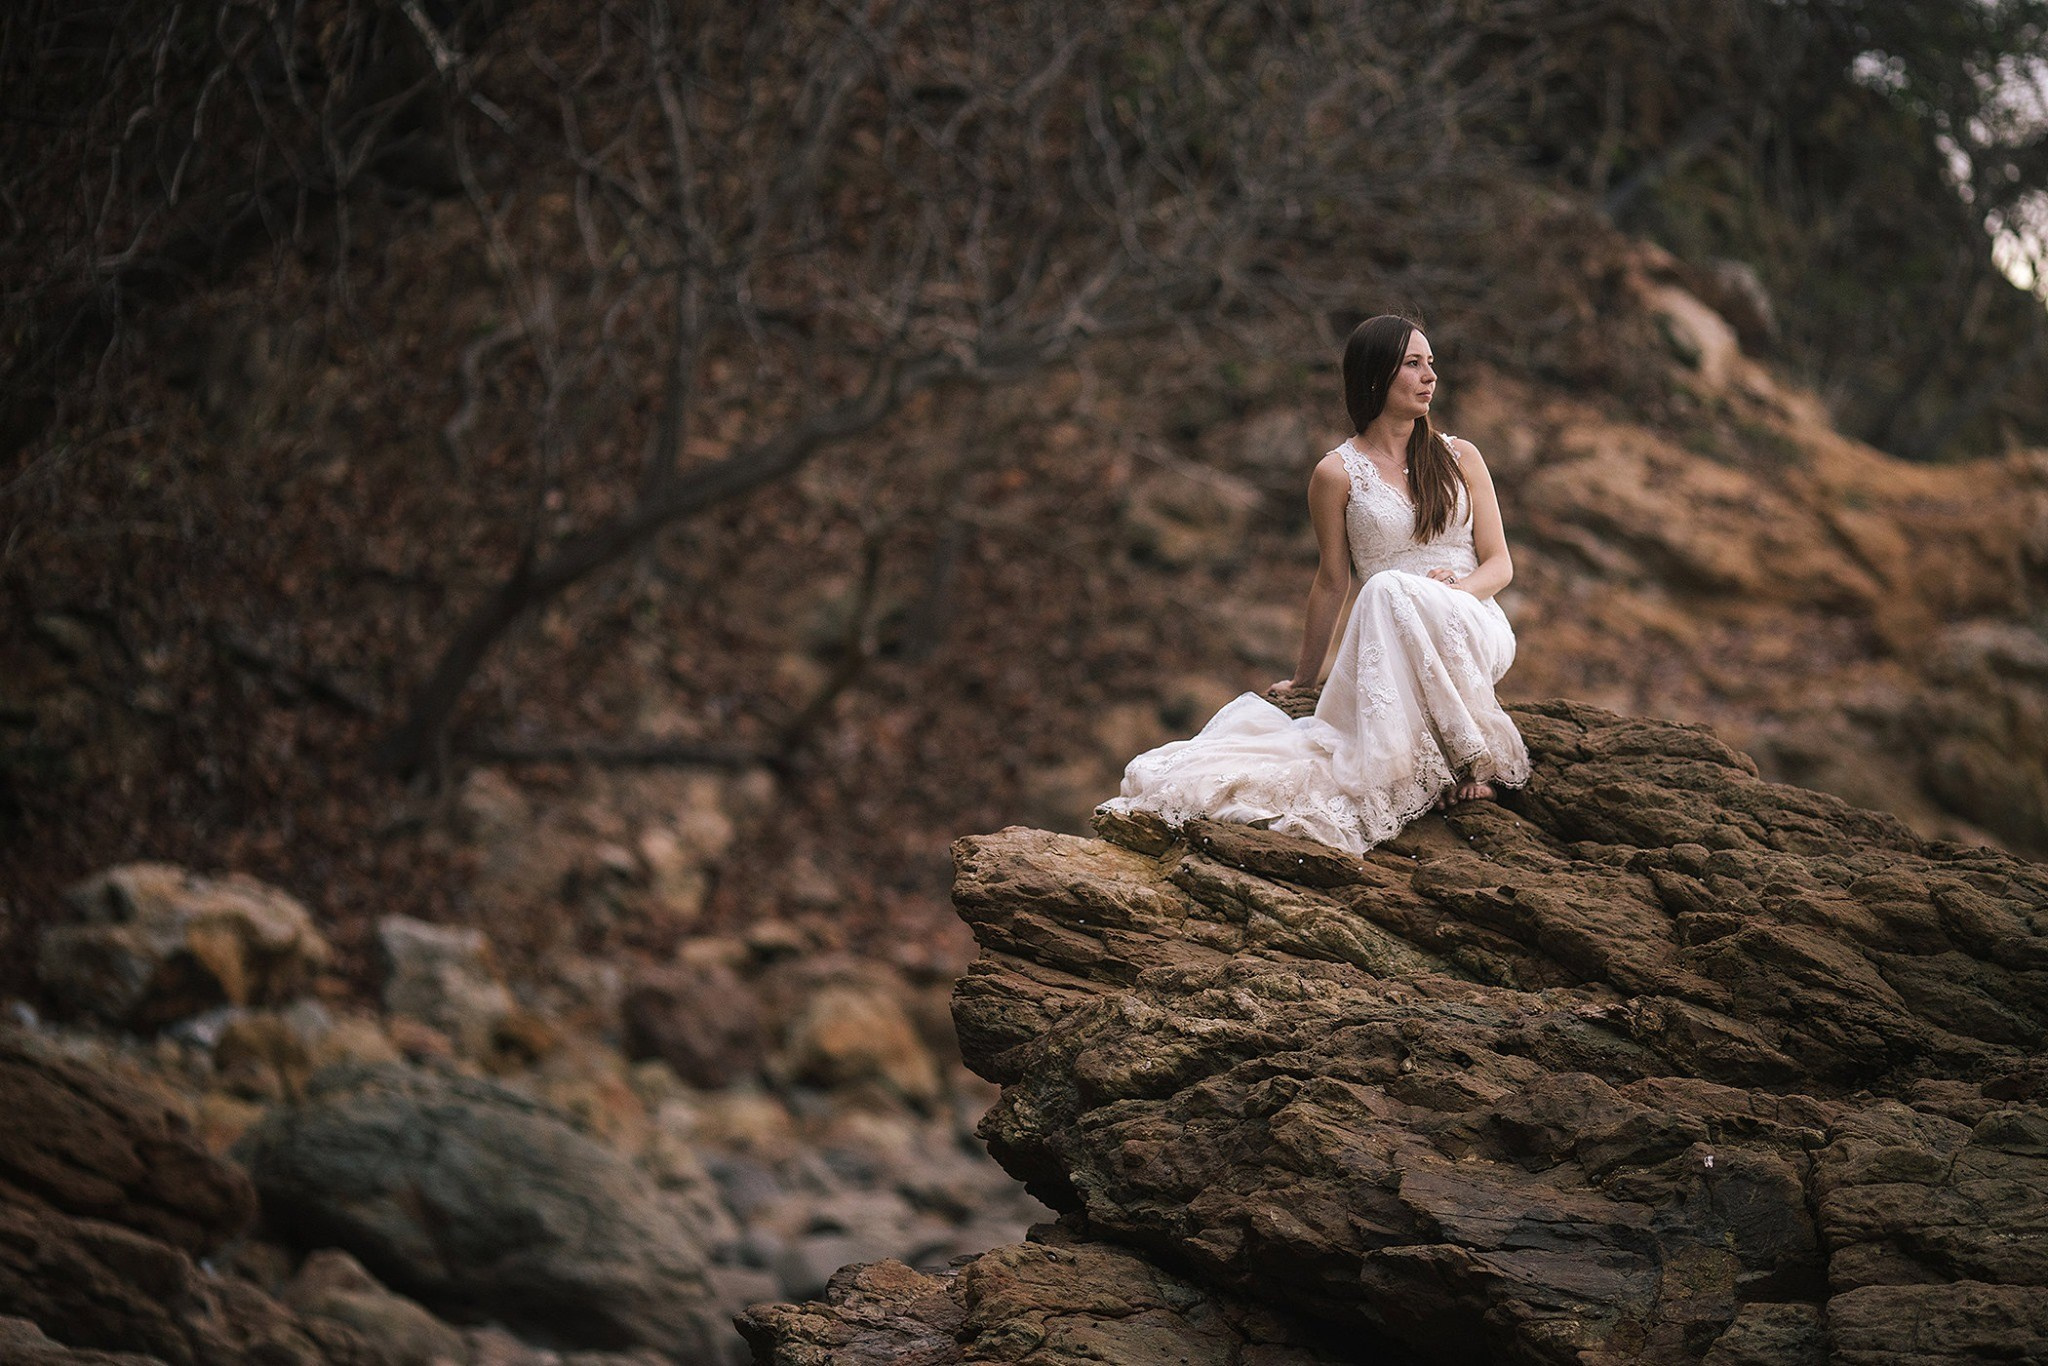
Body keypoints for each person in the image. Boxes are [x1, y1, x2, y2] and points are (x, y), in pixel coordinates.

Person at [1098, 314, 1531, 855]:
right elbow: (1331, 581)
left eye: (1432, 364)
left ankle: (1472, 757)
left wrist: (1457, 589)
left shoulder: (1460, 456)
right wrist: (1304, 680)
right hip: (1387, 635)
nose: (1430, 377)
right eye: (1414, 364)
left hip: (1471, 622)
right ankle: (1442, 762)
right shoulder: (1336, 473)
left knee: (1392, 589)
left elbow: (1500, 565)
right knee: (1386, 589)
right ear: (1376, 376)